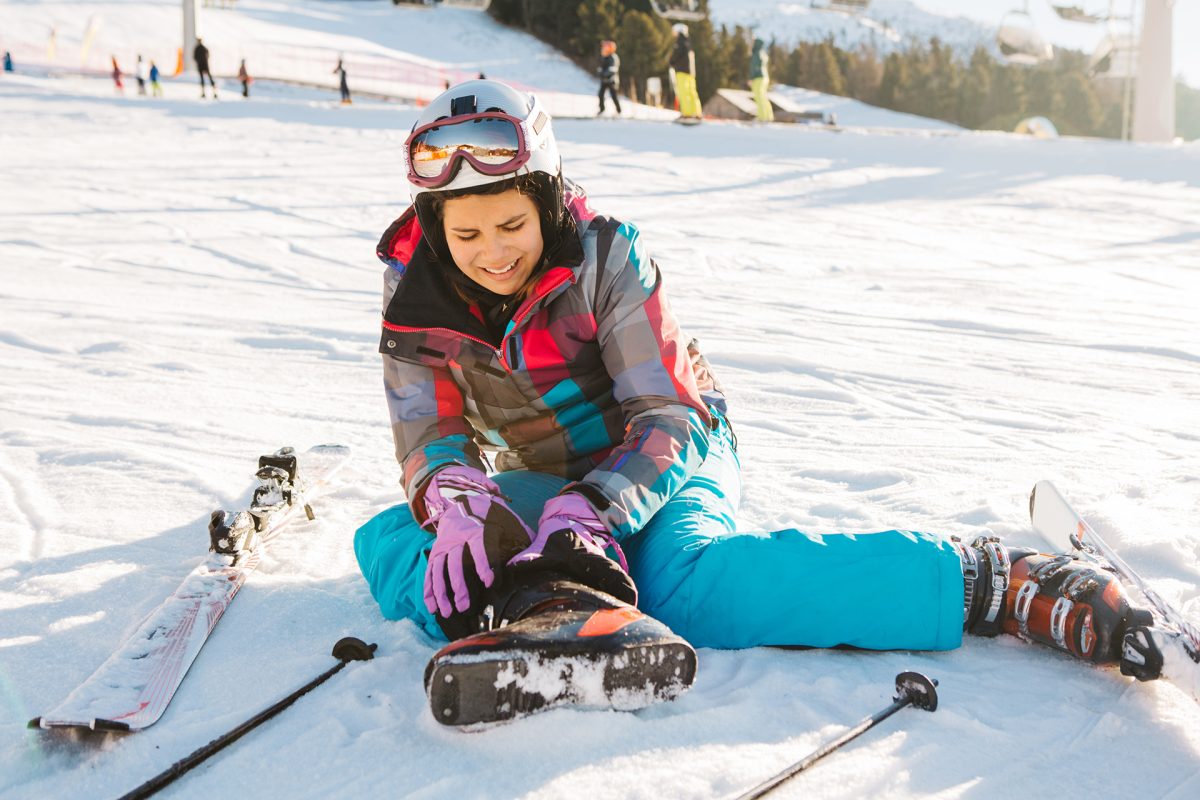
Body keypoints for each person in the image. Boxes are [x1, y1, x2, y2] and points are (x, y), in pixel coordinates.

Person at [353, 79, 1187, 699]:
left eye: (510, 226)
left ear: (544, 204)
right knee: (423, 563)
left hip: (671, 449)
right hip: (551, 471)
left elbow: (667, 412)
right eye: (465, 232)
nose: (491, 250)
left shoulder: (608, 259)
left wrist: (594, 510)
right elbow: (429, 434)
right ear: (433, 227)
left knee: (687, 587)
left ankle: (990, 583)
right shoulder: (414, 295)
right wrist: (456, 496)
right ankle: (555, 602)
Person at [669, 23, 702, 121]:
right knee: (692, 92)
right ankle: (696, 112)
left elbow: (675, 56)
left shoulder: (680, 43)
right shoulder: (688, 43)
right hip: (691, 72)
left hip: (682, 71)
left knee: (684, 92)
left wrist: (671, 62)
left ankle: (687, 113)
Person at [749, 38, 773, 123]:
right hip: (765, 77)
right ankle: (768, 116)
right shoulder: (763, 53)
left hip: (758, 77)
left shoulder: (756, 53)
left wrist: (751, 78)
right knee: (763, 96)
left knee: (759, 96)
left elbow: (754, 67)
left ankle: (762, 117)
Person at [597, 39, 621, 116]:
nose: (603, 49)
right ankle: (602, 110)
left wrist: (604, 73)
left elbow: (613, 69)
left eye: (605, 47)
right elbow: (601, 67)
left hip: (612, 80)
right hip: (604, 80)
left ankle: (619, 111)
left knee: (614, 96)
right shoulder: (604, 57)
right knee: (601, 95)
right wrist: (600, 72)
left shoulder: (613, 57)